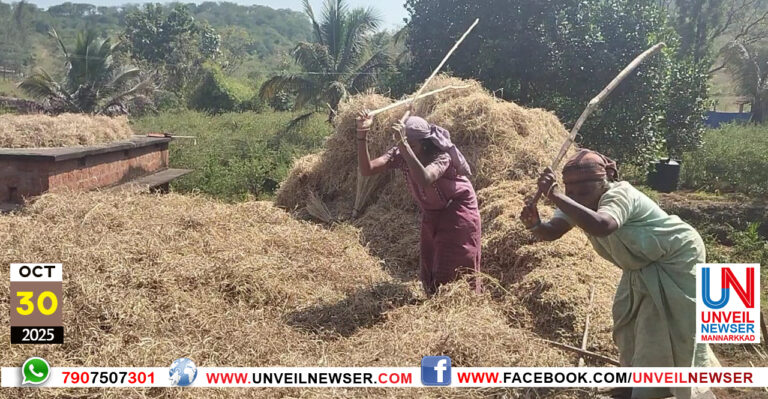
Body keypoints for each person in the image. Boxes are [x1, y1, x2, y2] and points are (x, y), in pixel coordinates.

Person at [520, 149, 719, 399]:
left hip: (675, 257)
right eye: (572, 193)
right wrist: (535, 224)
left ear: (604, 183)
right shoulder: (576, 204)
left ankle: (667, 391)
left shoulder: (619, 194)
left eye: (584, 192)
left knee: (666, 326)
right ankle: (637, 383)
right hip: (641, 265)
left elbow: (603, 225)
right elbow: (551, 231)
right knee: (628, 324)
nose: (578, 198)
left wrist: (557, 195)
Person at [356, 110, 482, 295]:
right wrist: (362, 135)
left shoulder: (441, 157)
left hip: (458, 210)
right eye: (405, 145)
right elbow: (367, 170)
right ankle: (433, 302)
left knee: (453, 264)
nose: (406, 149)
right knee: (431, 262)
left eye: (412, 145)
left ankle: (460, 303)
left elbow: (424, 179)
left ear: (424, 145)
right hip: (432, 212)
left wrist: (403, 145)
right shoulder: (401, 152)